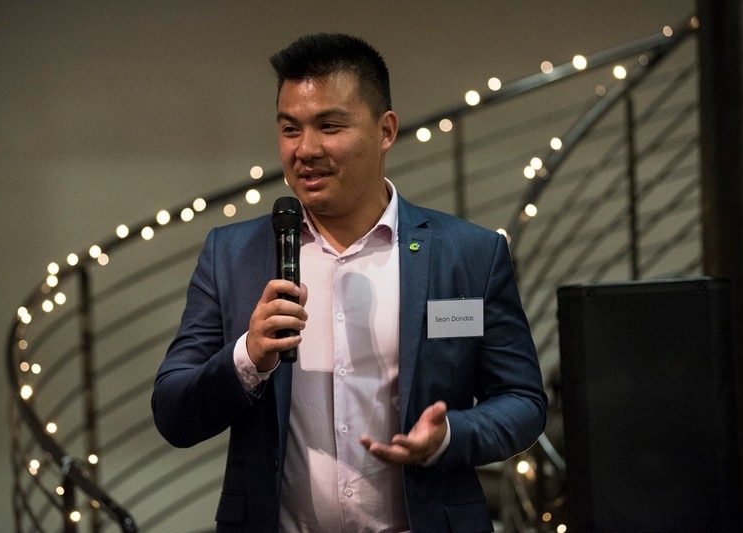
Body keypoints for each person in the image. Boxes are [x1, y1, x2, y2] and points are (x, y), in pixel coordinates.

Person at [152, 33, 547, 533]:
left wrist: (449, 435)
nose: (305, 150)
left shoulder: (468, 255)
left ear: (386, 131)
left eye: (330, 126)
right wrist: (247, 357)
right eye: (290, 129)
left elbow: (523, 402)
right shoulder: (232, 255)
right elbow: (173, 413)